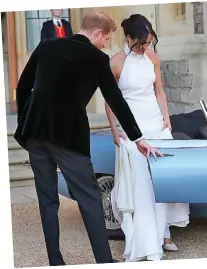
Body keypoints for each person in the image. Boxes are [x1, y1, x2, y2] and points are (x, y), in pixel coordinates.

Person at [14, 12, 162, 266]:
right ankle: (104, 261)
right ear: (96, 33)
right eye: (105, 38)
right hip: (68, 138)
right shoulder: (97, 58)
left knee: (47, 199)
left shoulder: (46, 46)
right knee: (90, 198)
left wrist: (26, 120)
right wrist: (138, 137)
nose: (105, 43)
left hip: (35, 134)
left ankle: (55, 261)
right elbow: (115, 99)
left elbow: (23, 85)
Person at [105, 14, 190, 262]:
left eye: (149, 43)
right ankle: (145, 241)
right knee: (141, 185)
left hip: (157, 125)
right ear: (128, 38)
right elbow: (111, 100)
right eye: (141, 43)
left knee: (161, 181)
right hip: (133, 130)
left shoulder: (153, 57)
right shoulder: (116, 63)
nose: (145, 48)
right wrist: (114, 129)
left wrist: (167, 119)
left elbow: (159, 91)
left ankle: (163, 233)